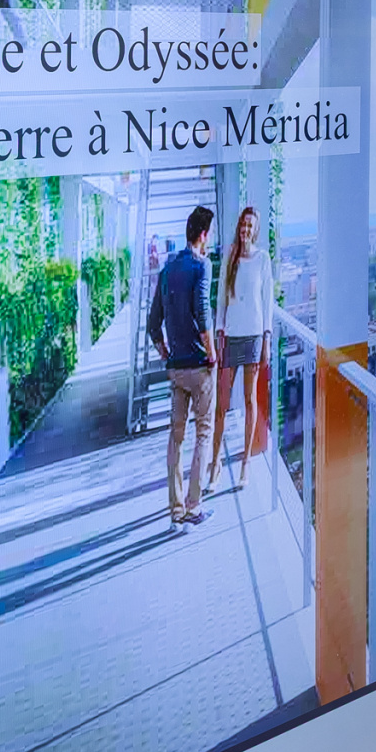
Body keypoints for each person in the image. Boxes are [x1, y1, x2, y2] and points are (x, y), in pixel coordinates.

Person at [146, 204, 217, 526]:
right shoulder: (202, 265)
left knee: (176, 437)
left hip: (176, 368)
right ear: (203, 235)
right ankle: (194, 506)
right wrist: (212, 353)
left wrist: (166, 354)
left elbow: (153, 324)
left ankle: (175, 509)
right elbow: (203, 313)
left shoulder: (167, 269)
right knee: (203, 433)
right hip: (199, 367)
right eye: (208, 234)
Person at [213, 206, 273, 487]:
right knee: (222, 403)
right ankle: (215, 463)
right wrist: (219, 331)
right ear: (239, 227)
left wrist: (267, 340)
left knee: (250, 400)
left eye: (251, 225)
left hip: (254, 337)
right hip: (231, 336)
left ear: (256, 230)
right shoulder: (231, 255)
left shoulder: (263, 259)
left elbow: (268, 301)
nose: (246, 229)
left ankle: (245, 464)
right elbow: (221, 297)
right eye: (243, 224)